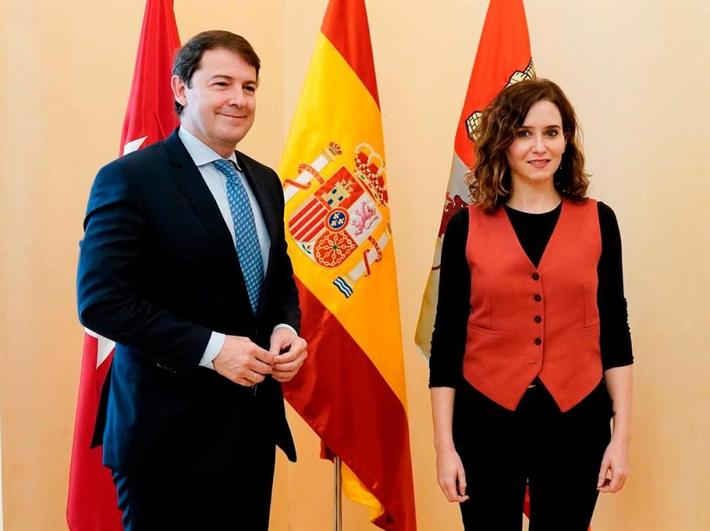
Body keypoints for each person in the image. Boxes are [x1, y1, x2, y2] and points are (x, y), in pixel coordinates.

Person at [77, 30, 307, 531]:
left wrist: (285, 330)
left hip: (250, 429)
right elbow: (102, 303)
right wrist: (212, 348)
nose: (239, 99)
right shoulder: (131, 178)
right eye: (222, 83)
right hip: (164, 438)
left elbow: (277, 279)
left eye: (249, 87)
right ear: (182, 89)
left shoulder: (265, 180)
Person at [430, 79, 633, 531]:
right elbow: (446, 342)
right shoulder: (466, 227)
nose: (539, 146)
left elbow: (615, 331)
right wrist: (445, 448)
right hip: (485, 420)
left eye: (551, 132)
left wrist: (621, 436)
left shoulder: (600, 221)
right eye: (524, 133)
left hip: (577, 420)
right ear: (502, 142)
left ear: (566, 141)